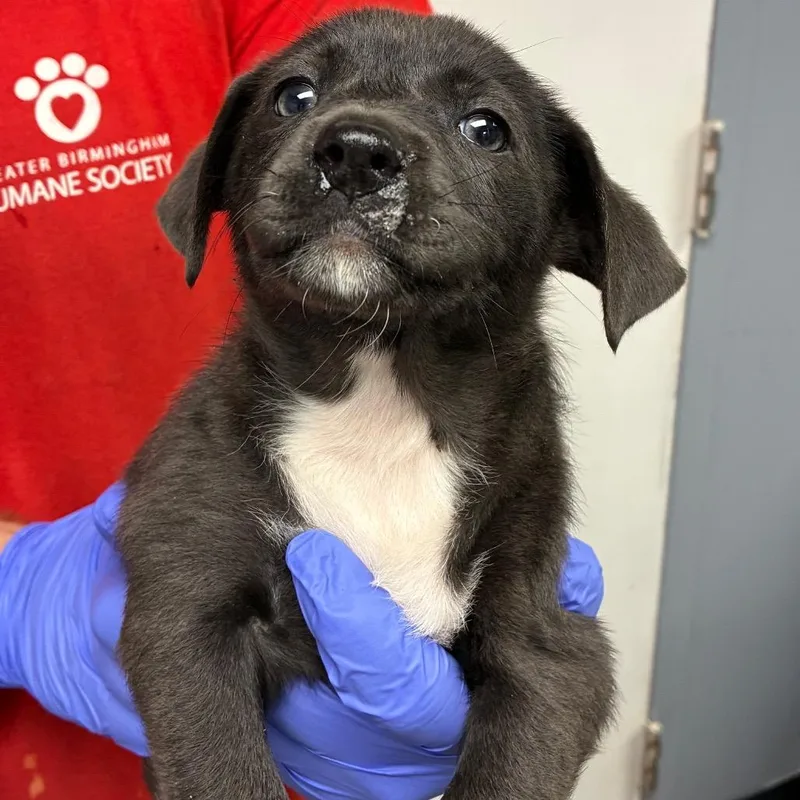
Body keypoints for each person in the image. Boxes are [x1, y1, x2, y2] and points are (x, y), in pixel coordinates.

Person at [0, 1, 605, 798]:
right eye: (298, 99)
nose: (355, 144)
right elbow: (186, 625)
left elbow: (550, 674)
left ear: (569, 221)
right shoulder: (213, 462)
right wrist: (15, 584)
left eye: (484, 127)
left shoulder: (515, 466)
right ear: (222, 176)